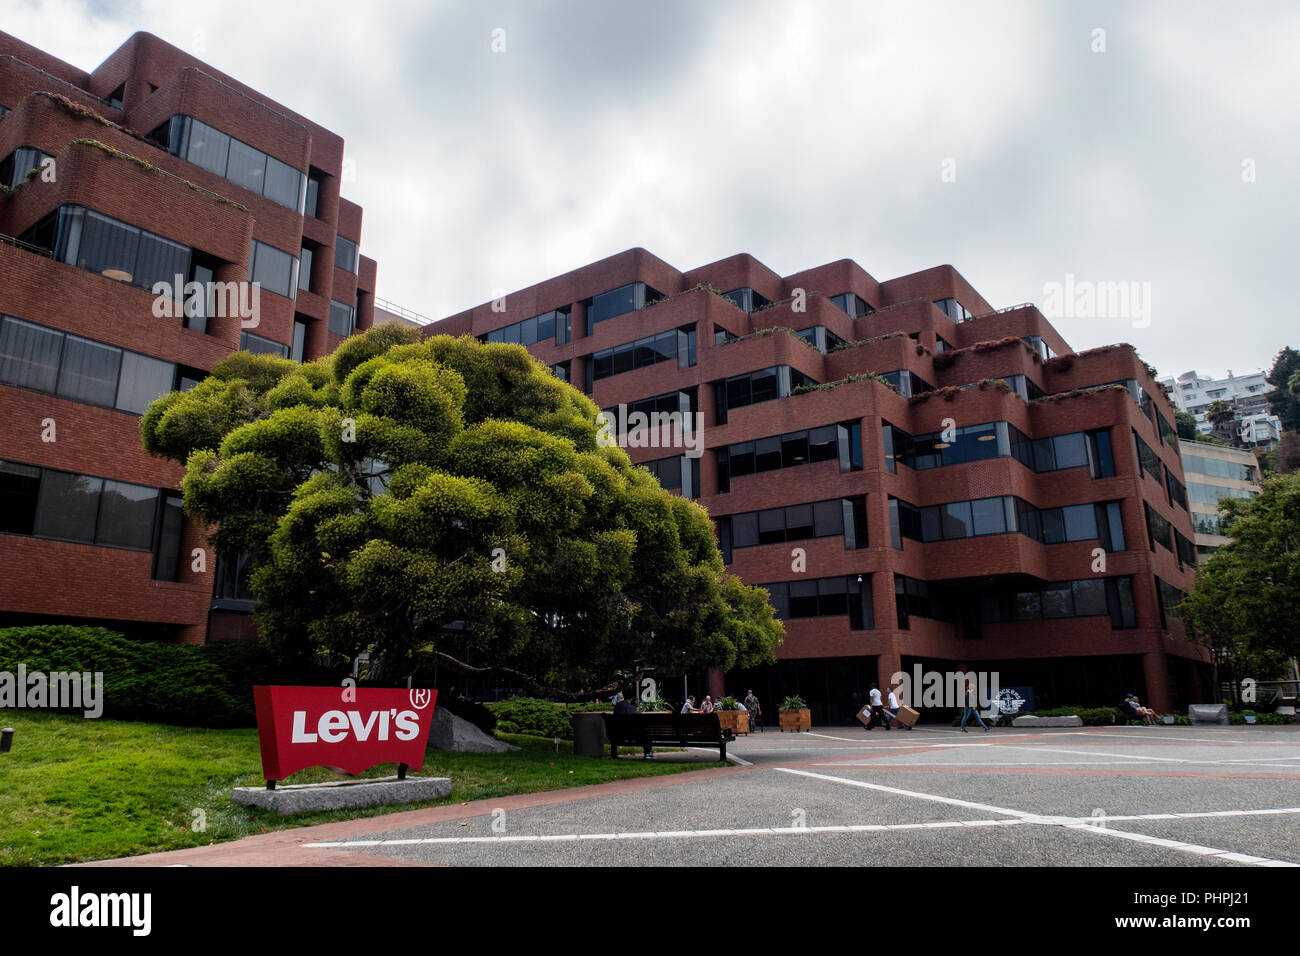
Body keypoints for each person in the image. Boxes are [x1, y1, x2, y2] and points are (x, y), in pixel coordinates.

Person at [614, 688, 651, 758]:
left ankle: (614, 753)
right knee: (645, 733)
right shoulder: (632, 708)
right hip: (631, 733)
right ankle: (647, 753)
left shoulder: (617, 706)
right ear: (633, 697)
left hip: (617, 733)